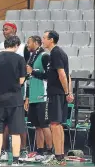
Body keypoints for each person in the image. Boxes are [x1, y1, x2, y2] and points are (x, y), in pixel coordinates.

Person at [0, 35, 26, 166]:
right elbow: (21, 80)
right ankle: (15, 160)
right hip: (15, 101)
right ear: (16, 46)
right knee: (15, 132)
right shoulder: (20, 59)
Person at [0, 22, 30, 161]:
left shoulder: (23, 47)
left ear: (14, 30)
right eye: (3, 29)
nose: (4, 31)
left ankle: (22, 150)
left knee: (18, 122)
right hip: (2, 89)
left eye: (7, 29)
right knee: (3, 122)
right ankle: (3, 150)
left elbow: (27, 69)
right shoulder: (0, 46)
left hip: (18, 89)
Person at [42, 30, 73, 166]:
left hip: (56, 94)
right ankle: (60, 156)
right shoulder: (56, 53)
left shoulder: (55, 53)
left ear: (51, 40)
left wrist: (67, 93)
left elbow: (62, 74)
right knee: (57, 125)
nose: (43, 40)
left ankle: (58, 156)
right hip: (59, 93)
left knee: (54, 124)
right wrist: (68, 92)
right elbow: (67, 74)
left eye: (44, 38)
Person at [25, 35, 53, 162]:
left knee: (45, 125)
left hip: (43, 96)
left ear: (36, 43)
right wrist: (27, 97)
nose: (27, 44)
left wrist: (33, 72)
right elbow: (29, 79)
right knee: (37, 126)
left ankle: (50, 151)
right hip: (33, 97)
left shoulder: (44, 56)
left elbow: (49, 76)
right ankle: (40, 151)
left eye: (29, 42)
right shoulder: (32, 57)